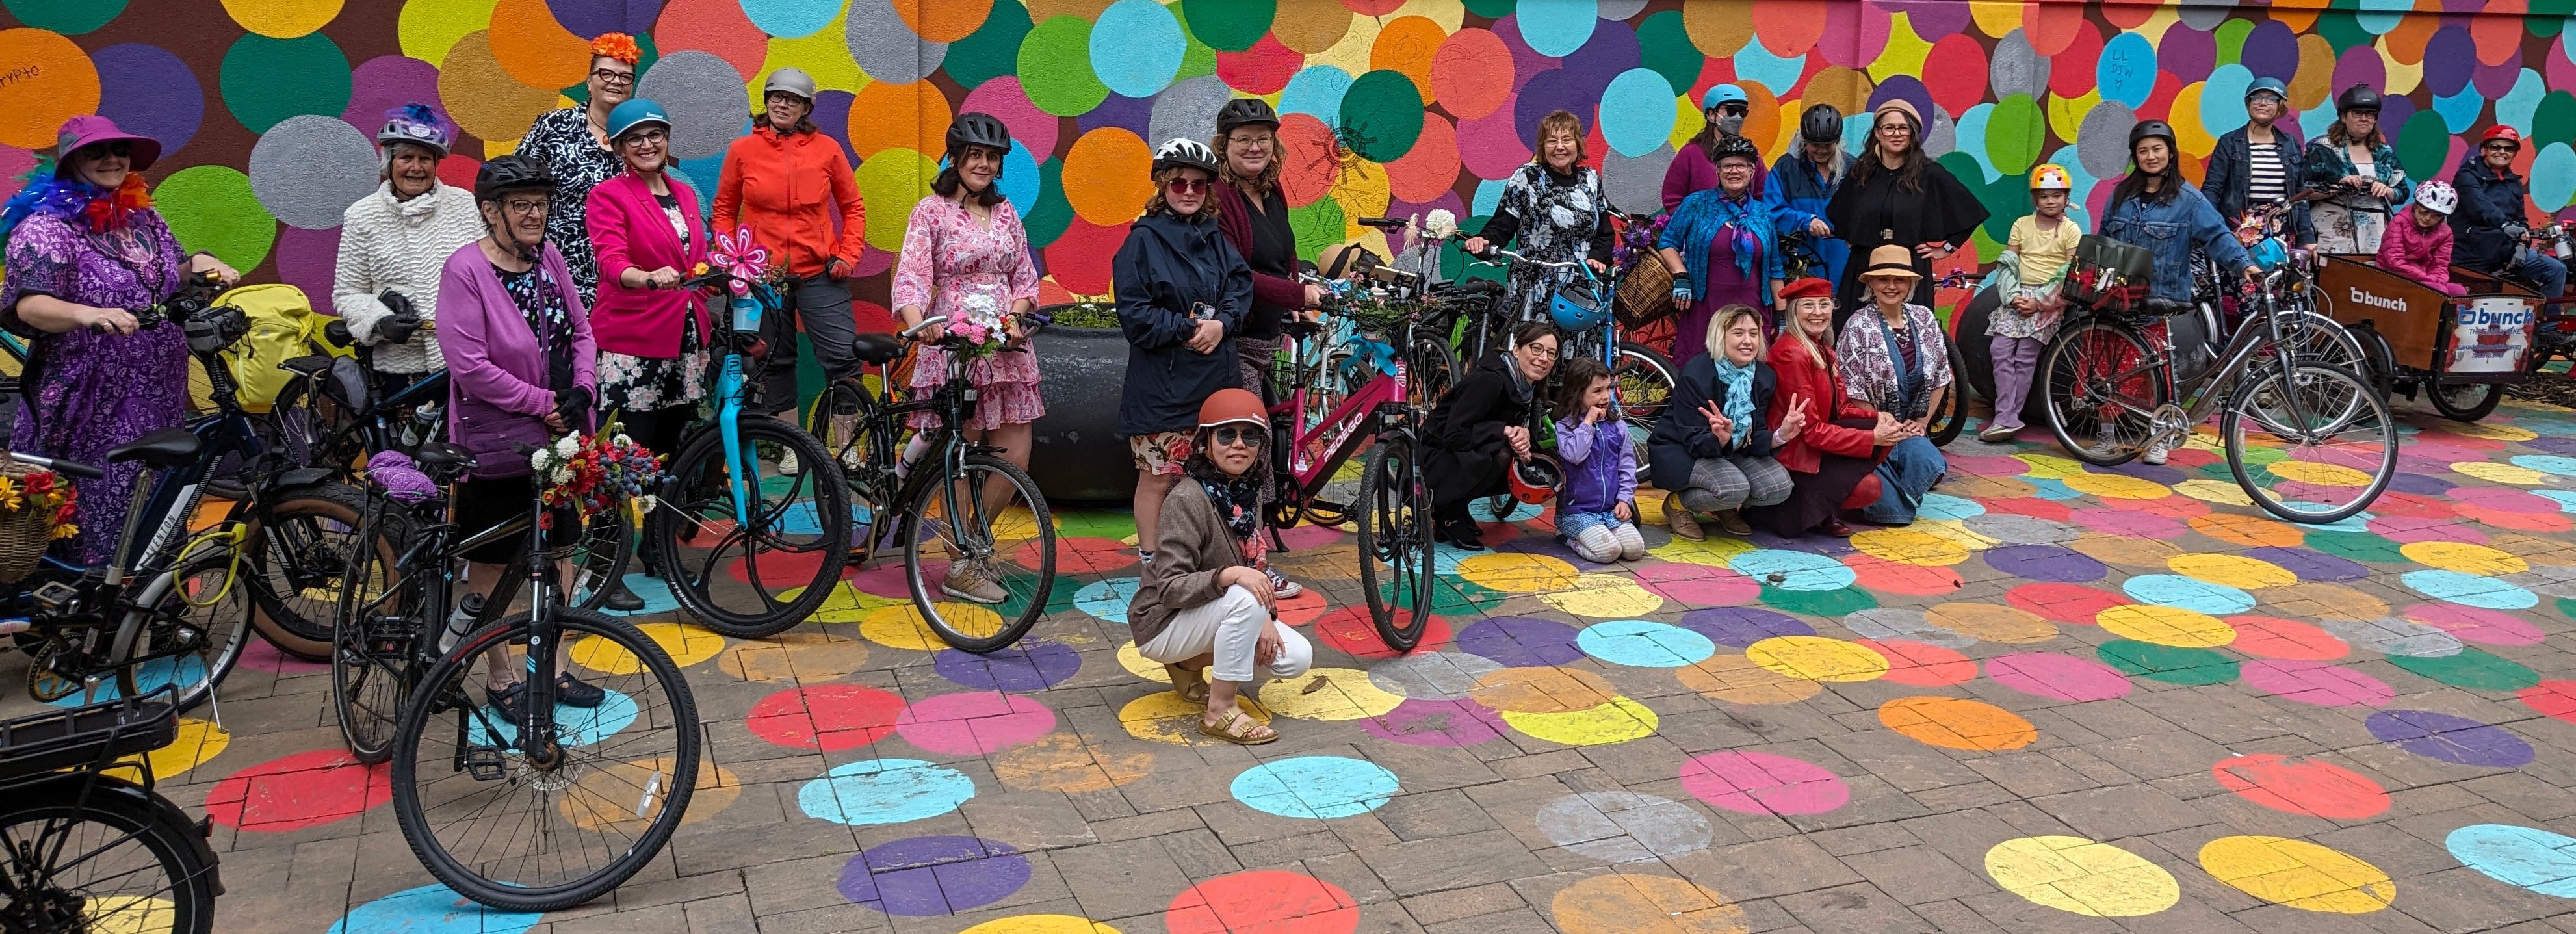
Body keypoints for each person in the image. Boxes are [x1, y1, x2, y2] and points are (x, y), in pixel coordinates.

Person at [0, 116, 237, 565]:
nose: (112, 159)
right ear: (72, 162)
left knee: (154, 494)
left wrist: (208, 262)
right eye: (96, 152)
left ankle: (144, 603)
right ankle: (81, 607)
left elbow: (177, 270)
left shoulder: (143, 216)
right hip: (88, 397)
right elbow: (29, 306)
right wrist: (87, 313)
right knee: (95, 497)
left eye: (119, 151)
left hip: (156, 388)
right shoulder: (47, 227)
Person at [437, 154, 605, 718]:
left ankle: (554, 672)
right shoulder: (465, 270)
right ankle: (501, 677)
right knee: (492, 561)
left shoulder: (548, 258)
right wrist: (543, 404)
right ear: (491, 211)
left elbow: (582, 330)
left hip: (560, 434)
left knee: (559, 548)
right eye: (520, 205)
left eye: (541, 203)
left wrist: (581, 390)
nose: (535, 214)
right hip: (498, 439)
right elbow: (470, 365)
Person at [891, 112, 1044, 604]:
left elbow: (1025, 276)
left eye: (991, 157)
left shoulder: (1006, 214)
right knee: (961, 455)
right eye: (974, 155)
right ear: (955, 159)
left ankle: (974, 541)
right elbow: (912, 276)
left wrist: (1018, 316)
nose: (982, 164)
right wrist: (921, 323)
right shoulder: (930, 212)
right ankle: (961, 563)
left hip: (1005, 346)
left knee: (1015, 456)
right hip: (953, 345)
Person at [1126, 389, 1314, 746]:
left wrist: (1265, 619)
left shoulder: (1247, 492)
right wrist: (1230, 577)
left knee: (1297, 658)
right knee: (1245, 598)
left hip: (1211, 609)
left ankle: (1188, 665)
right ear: (1206, 442)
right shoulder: (1187, 498)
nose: (1239, 445)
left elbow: (1252, 564)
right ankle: (1220, 711)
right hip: (1162, 621)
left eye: (1251, 436)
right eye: (1226, 434)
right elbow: (1169, 588)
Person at [1116, 139, 1251, 567]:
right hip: (1164, 386)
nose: (1188, 191)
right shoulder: (1142, 241)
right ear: (1162, 186)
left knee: (1218, 476)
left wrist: (1222, 324)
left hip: (1214, 383)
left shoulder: (1213, 236)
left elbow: (1240, 285)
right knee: (1159, 479)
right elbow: (1134, 313)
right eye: (1178, 183)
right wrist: (1189, 327)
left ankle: (1223, 561)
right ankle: (1155, 567)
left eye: (1198, 184)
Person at [2098, 119, 2259, 465]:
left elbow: (2217, 236)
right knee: (2107, 362)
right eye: (2143, 151)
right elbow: (2105, 240)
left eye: (2157, 149)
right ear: (2135, 157)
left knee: (2160, 366)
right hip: (2119, 295)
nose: (2151, 156)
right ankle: (2107, 431)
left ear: (2170, 153)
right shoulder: (2120, 196)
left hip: (2160, 298)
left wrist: (2244, 264)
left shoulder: (2189, 200)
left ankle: (2161, 435)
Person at [714, 66, 868, 421]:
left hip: (820, 273)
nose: (783, 105)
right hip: (763, 277)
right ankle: (790, 447)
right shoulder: (742, 150)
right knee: (773, 359)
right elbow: (724, 210)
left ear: (806, 109)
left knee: (843, 357)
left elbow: (853, 207)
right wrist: (732, 258)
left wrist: (848, 254)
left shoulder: (827, 150)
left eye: (793, 100)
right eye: (777, 97)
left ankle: (850, 450)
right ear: (766, 101)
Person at [1208, 97, 1314, 600]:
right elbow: (1236, 272)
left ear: (1274, 147)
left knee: (1270, 438)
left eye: (1262, 138)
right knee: (1250, 444)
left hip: (1268, 337)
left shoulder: (1271, 194)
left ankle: (1244, 545)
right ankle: (1252, 564)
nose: (1253, 147)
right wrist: (1297, 294)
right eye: (1242, 139)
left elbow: (1284, 252)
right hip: (1234, 341)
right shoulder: (1219, 197)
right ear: (1223, 147)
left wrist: (1298, 303)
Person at [586, 99, 709, 466]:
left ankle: (664, 524)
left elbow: (693, 258)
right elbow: (611, 261)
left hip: (685, 337)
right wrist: (646, 277)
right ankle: (615, 526)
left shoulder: (684, 193)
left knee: (674, 450)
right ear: (620, 148)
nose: (646, 145)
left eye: (654, 135)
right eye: (633, 139)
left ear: (667, 138)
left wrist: (721, 275)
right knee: (630, 456)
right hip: (635, 340)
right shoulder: (609, 195)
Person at [334, 103, 480, 402]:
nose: (416, 167)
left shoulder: (464, 205)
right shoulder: (362, 216)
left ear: (437, 164)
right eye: (406, 158)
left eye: (425, 158)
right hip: (399, 365)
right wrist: (380, 320)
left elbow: (489, 274)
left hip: (467, 357)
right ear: (389, 162)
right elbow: (348, 293)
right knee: (406, 447)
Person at [1745, 278, 1896, 539]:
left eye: (1824, 305)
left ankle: (1825, 507)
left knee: (1885, 432)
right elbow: (1811, 431)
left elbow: (1841, 409)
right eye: (1808, 305)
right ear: (1793, 311)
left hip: (1814, 445)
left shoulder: (1819, 347)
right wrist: (1871, 438)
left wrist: (1878, 418)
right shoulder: (1792, 353)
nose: (1818, 312)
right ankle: (1807, 508)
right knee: (1869, 488)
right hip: (1794, 455)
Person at [1824, 99, 1988, 320]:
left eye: (1904, 128)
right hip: (1865, 267)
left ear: (1913, 134)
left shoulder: (1930, 174)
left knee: (1909, 335)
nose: (1896, 134)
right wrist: (1854, 234)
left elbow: (1969, 211)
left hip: (1910, 268)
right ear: (1878, 134)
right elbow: (1840, 212)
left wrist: (1946, 248)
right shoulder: (1862, 174)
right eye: (1889, 128)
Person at [1649, 303, 1798, 539]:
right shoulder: (1696, 374)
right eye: (1738, 333)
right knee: (1733, 487)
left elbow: (1755, 433)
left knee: (1779, 487)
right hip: (1684, 451)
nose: (1747, 341)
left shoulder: (1763, 376)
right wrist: (1720, 438)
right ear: (1720, 336)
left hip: (1731, 451)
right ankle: (1677, 505)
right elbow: (1693, 440)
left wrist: (1781, 435)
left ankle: (1723, 506)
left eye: (1753, 333)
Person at [517, 32, 643, 303]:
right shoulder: (553, 128)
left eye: (624, 77)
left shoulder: (642, 138)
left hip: (623, 276)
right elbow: (513, 185)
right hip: (556, 272)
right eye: (606, 74)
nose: (615, 82)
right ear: (589, 81)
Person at [1838, 246, 1951, 526]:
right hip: (1871, 429)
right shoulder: (1858, 325)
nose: (1891, 286)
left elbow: (1940, 375)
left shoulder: (1924, 319)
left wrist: (1922, 423)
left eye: (1899, 280)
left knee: (1932, 463)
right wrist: (1884, 426)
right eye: (1883, 279)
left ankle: (1891, 485)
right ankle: (1867, 499)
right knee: (1893, 515)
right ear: (1871, 284)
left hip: (1908, 425)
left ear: (1910, 284)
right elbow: (1849, 386)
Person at [1463, 110, 1612, 324]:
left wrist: (1597, 256)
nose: (1560, 146)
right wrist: (1483, 241)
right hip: (1535, 286)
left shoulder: (1590, 180)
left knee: (1579, 355)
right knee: (1535, 352)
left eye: (1567, 140)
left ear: (1578, 144)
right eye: (1552, 141)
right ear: (1543, 147)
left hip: (1581, 289)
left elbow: (1604, 231)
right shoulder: (1527, 177)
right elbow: (1502, 224)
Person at [1424, 322, 1559, 550]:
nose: (1544, 358)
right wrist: (1503, 430)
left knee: (1533, 460)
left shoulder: (1524, 383)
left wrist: (1522, 432)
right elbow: (1454, 435)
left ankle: (1459, 505)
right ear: (1517, 349)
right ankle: (1448, 514)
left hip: (1459, 455)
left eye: (1551, 354)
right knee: (1502, 455)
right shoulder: (1489, 380)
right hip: (1431, 464)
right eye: (1536, 349)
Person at [1658, 135, 1783, 361]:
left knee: (1748, 376)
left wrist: (1783, 316)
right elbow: (1668, 242)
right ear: (1717, 170)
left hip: (1752, 312)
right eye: (1727, 165)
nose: (1734, 171)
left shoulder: (1763, 213)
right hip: (1705, 308)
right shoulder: (1697, 203)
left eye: (1741, 165)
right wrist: (1681, 276)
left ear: (1752, 170)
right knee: (1702, 374)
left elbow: (1775, 268)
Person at [1983, 164, 2083, 442]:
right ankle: (2005, 416)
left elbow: (2069, 274)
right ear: (2034, 198)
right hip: (2017, 297)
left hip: (2047, 300)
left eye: (2057, 195)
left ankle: (2007, 418)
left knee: (2025, 357)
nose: (2051, 201)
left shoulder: (2071, 231)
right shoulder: (2021, 225)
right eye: (2044, 196)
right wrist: (2013, 296)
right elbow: (2008, 263)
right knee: (2000, 350)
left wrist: (2039, 303)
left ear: (2066, 197)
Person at [2452, 126, 2568, 300]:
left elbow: (2522, 222)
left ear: (2514, 154)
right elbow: (2481, 206)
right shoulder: (2467, 176)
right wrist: (2505, 225)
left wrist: (2522, 247)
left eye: (2509, 149)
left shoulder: (2513, 182)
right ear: (2485, 150)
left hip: (2505, 251)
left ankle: (2546, 326)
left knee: (2556, 269)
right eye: (2496, 147)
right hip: (2473, 254)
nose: (2502, 152)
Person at [1548, 357, 1643, 562]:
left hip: (1610, 510)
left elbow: (1627, 465)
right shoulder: (1566, 426)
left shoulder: (1617, 425)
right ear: (1578, 392)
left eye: (1608, 389)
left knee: (1635, 550)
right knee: (1608, 553)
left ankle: (1602, 530)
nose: (1605, 396)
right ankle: (1566, 537)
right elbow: (1575, 456)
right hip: (1577, 511)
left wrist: (1625, 500)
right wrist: (1589, 422)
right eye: (1597, 391)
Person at [2304, 84, 2413, 255]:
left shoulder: (2384, 152)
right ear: (2343, 117)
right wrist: (2336, 188)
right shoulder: (2322, 149)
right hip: (2332, 230)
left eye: (2370, 114)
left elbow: (2403, 191)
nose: (2364, 118)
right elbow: (2302, 189)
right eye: (2357, 113)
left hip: (2373, 232)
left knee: (2368, 276)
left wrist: (2387, 190)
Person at [2202, 77, 2311, 244]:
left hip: (2281, 226)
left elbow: (2299, 193)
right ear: (2248, 104)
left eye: (2271, 99)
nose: (2262, 103)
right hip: (2238, 226)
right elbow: (2212, 188)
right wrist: (2214, 230)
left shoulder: (2290, 144)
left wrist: (2307, 237)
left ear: (2280, 107)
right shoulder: (2230, 142)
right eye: (2256, 98)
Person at [1773, 104, 1853, 284]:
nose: (1822, 150)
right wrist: (1806, 220)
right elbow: (1771, 211)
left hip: (1844, 266)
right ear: (1804, 141)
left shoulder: (1853, 168)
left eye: (1828, 145)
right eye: (1815, 145)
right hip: (1801, 265)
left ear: (1838, 141)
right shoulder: (1786, 168)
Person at [1663, 84, 1771, 206]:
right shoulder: (1691, 154)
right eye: (1731, 111)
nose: (1737, 118)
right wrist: (1692, 222)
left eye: (1742, 112)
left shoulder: (1752, 155)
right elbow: (1672, 199)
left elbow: (1765, 198)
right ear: (1711, 114)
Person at [2378, 181, 2464, 297]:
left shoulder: (2446, 233)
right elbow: (2394, 262)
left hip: (2426, 278)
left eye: (2436, 215)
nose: (2428, 218)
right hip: (2394, 276)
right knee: (2438, 291)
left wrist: (2437, 279)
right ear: (2416, 206)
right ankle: (2433, 314)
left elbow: (2440, 265)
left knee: (2459, 292)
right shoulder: (2399, 222)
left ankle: (2453, 315)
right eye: (2424, 211)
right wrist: (2429, 280)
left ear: (2443, 217)